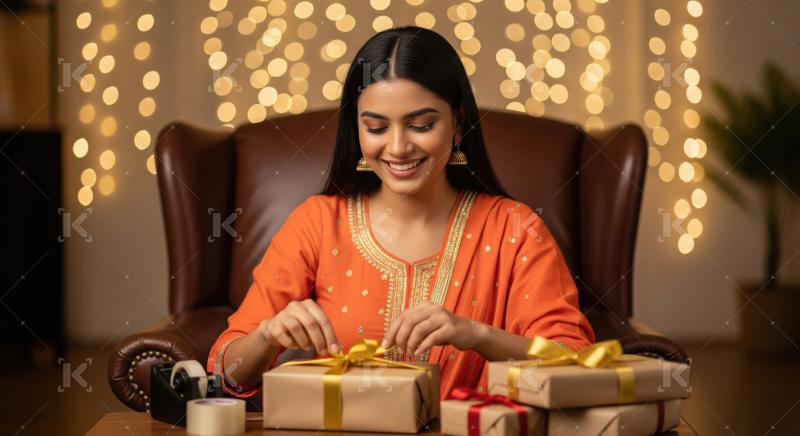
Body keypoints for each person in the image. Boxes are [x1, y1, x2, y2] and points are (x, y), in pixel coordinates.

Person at [207, 26, 595, 402]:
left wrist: (475, 334)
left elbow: (575, 364)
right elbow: (227, 370)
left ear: (458, 122)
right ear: (355, 130)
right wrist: (268, 335)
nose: (398, 147)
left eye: (421, 125)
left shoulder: (514, 228)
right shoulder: (318, 223)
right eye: (376, 128)